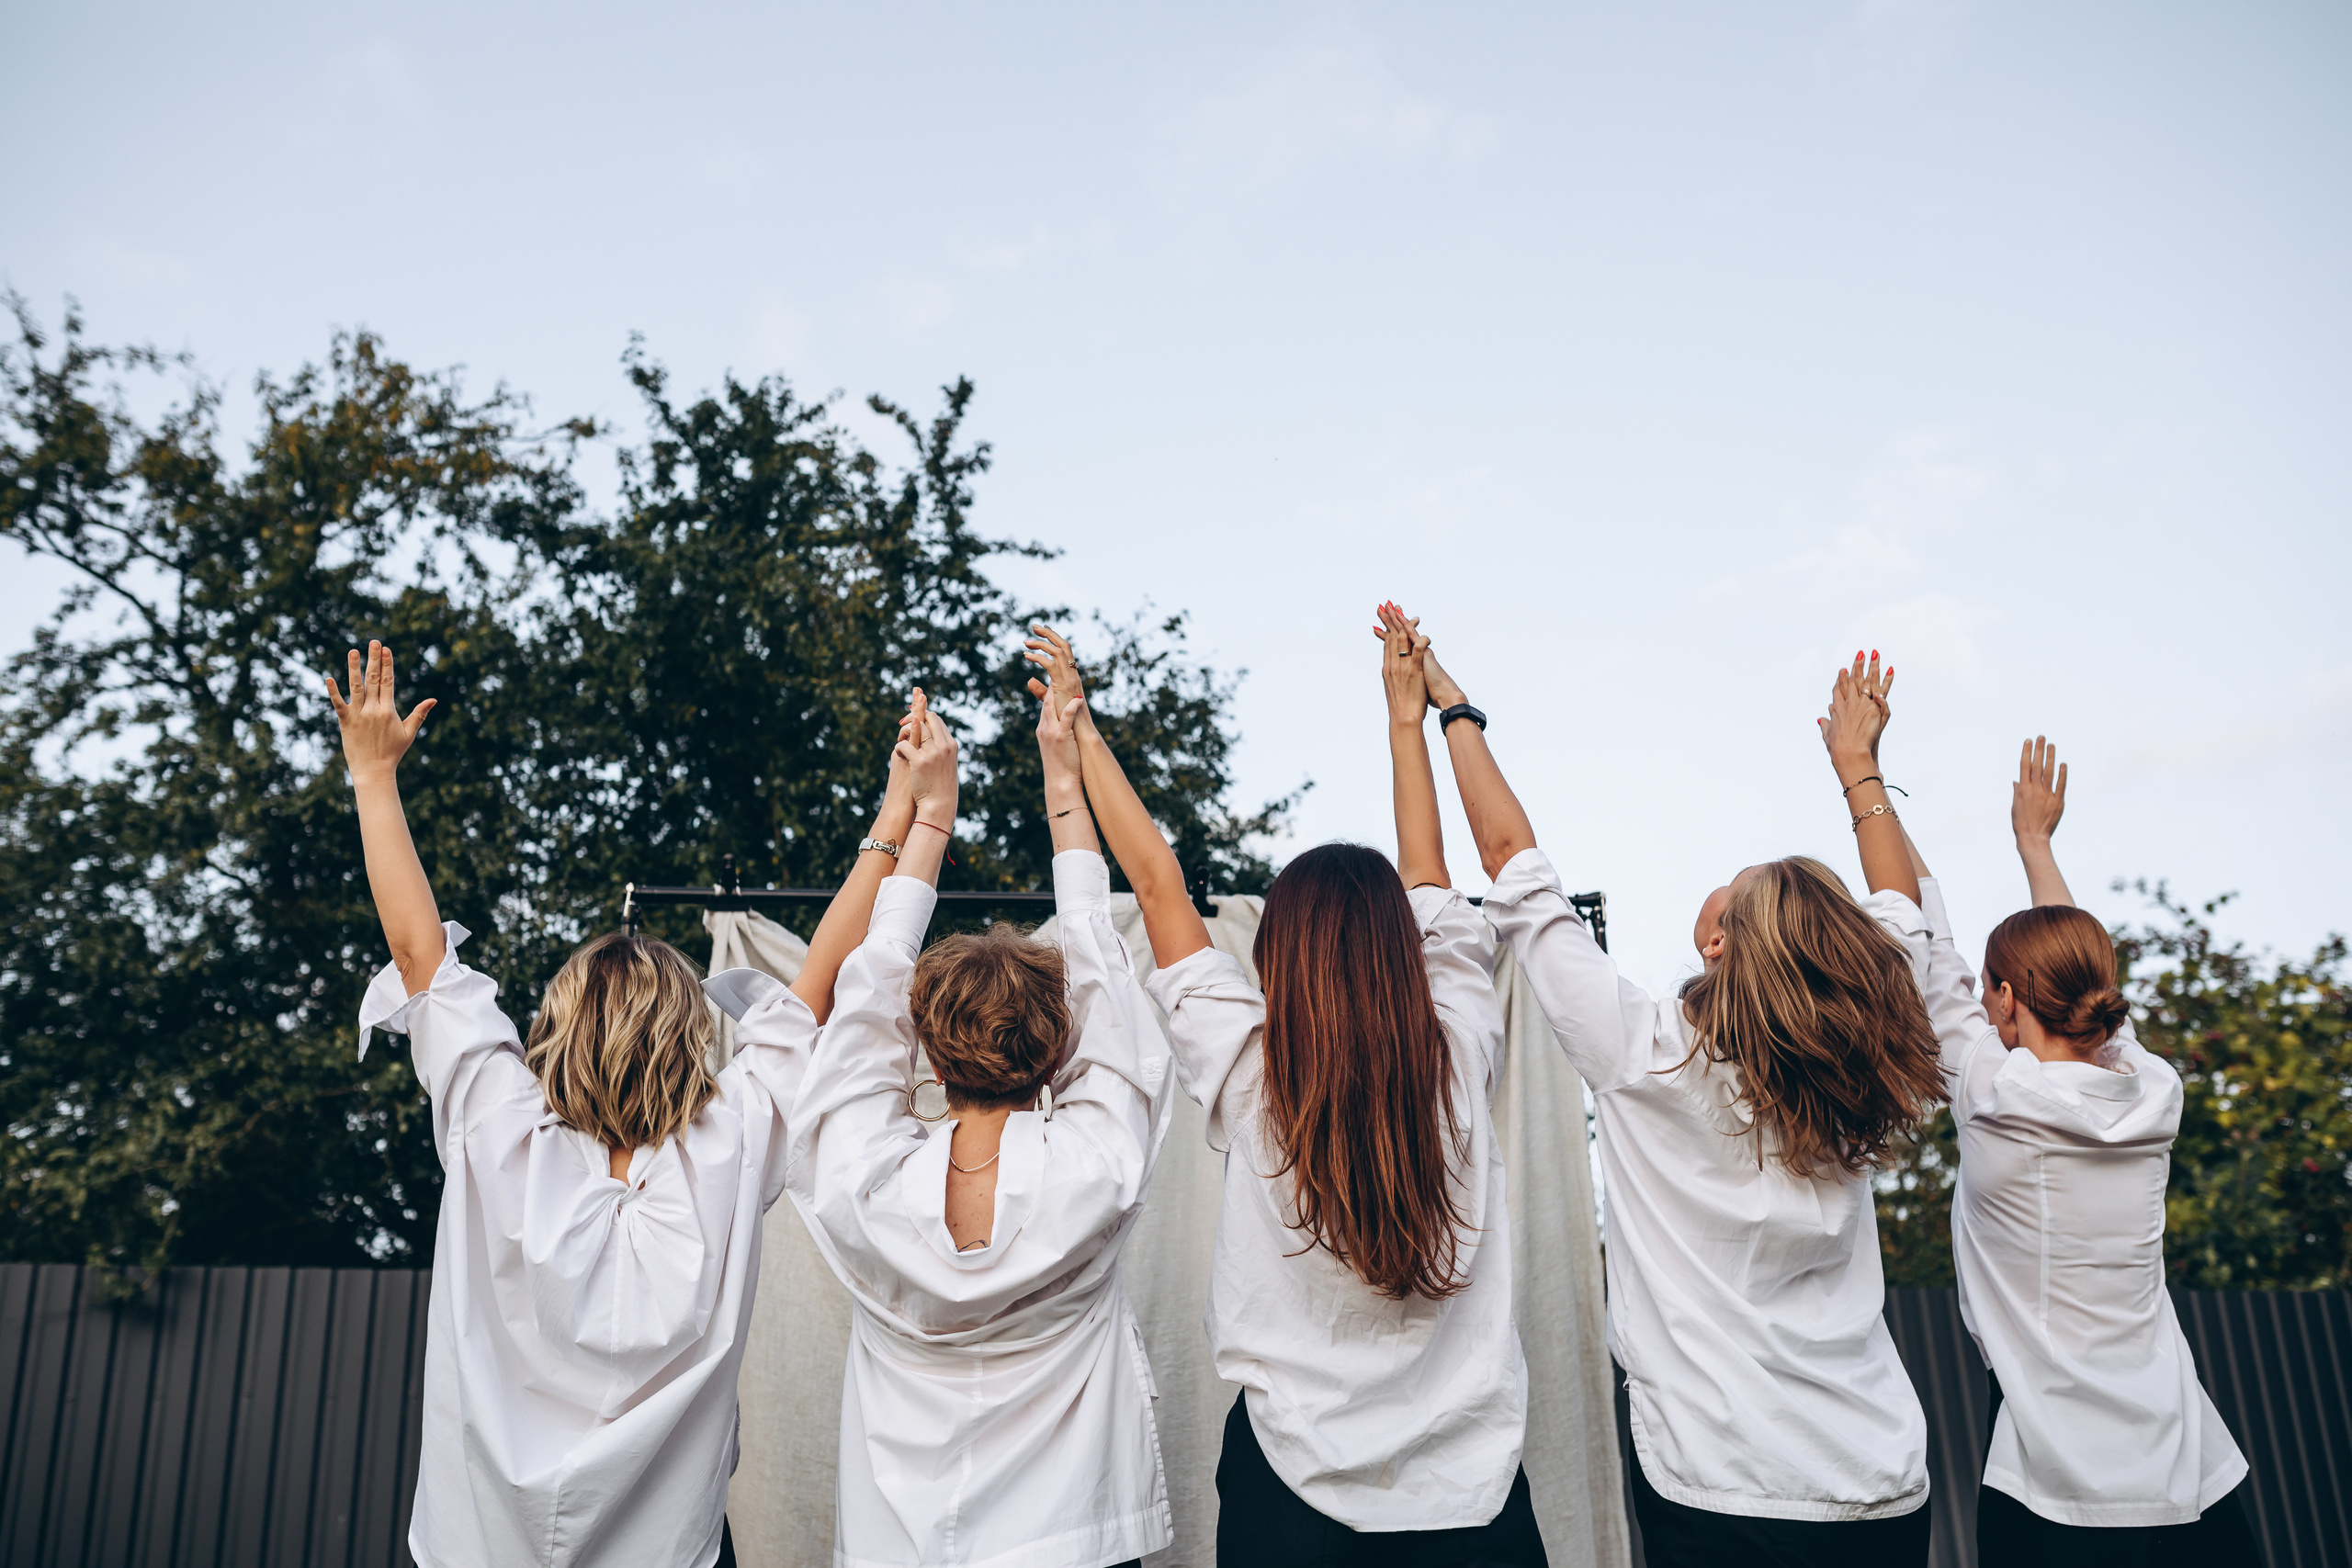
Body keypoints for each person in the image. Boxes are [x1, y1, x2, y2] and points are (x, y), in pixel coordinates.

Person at [332, 641, 910, 1568]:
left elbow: (417, 954)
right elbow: (817, 984)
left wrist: (372, 775)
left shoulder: (495, 1126)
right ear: (692, 1039)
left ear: (550, 1032)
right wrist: (898, 816)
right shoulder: (730, 1143)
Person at [1406, 615, 1945, 1565]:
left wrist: (1449, 709)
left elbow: (1511, 864)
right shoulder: (1865, 1048)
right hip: (1876, 1477)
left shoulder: (1645, 1051)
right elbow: (1897, 905)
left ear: (1724, 946)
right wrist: (1857, 767)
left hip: (1719, 1479)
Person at [1028, 617, 1544, 1567]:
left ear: (1278, 958)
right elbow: (1429, 879)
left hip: (1290, 1497)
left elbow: (1154, 884)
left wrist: (1082, 729)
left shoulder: (1248, 1067)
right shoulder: (1463, 1049)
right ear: (1405, 957)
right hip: (1472, 1503)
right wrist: (1410, 718)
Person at [771, 676, 1177, 1568]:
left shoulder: (858, 1186)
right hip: (1073, 1546)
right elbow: (1105, 979)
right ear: (1060, 1048)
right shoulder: (1098, 1167)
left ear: (923, 1045)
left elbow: (868, 992)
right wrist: (1064, 789)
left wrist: (930, 819)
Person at [1911, 737, 2257, 1566]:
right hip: (2194, 1481)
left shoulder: (1997, 1096)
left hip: (2055, 1492)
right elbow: (2090, 996)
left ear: (2002, 998)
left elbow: (1925, 942)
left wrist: (1864, 780)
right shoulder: (2151, 1090)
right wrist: (2037, 846)